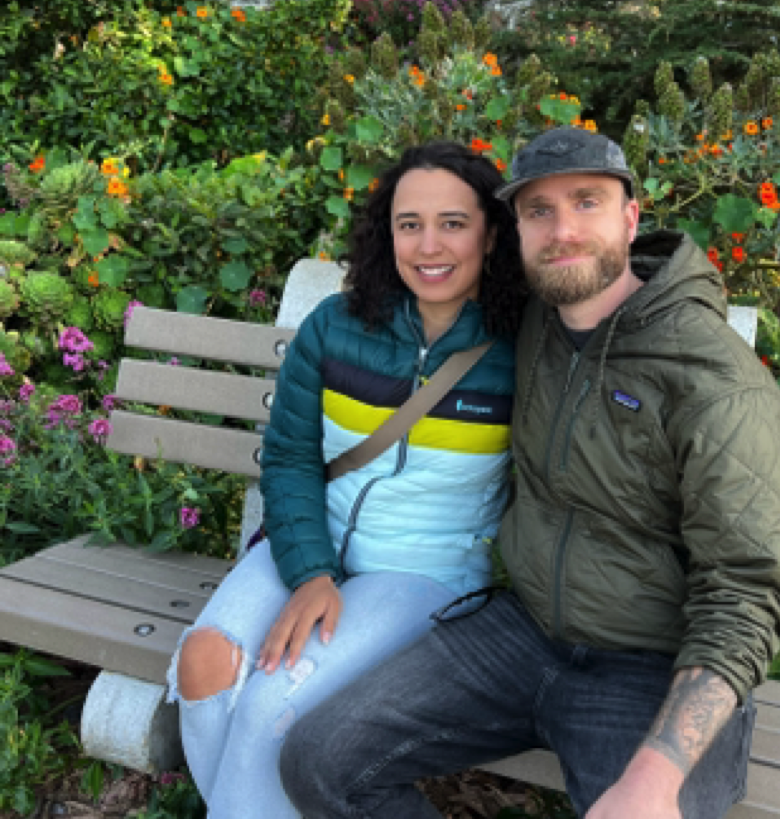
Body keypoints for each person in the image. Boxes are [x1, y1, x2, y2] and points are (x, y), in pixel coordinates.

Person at [278, 126, 780, 819]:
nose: (563, 230)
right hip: (520, 634)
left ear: (631, 218)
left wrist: (659, 770)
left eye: (587, 202)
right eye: (538, 211)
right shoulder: (533, 321)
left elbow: (746, 590)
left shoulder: (712, 379)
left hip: (647, 668)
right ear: (513, 231)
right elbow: (428, 290)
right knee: (320, 761)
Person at [166, 142, 529, 819]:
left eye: (453, 222)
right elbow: (291, 458)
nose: (429, 245)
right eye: (408, 223)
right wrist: (310, 571)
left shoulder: (521, 351)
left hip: (425, 572)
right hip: (311, 548)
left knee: (273, 704)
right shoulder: (336, 327)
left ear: (491, 231)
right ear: (385, 233)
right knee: (205, 664)